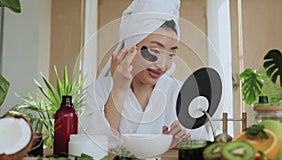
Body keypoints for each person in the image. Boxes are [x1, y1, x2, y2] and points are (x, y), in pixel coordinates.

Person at [79, 0, 208, 148]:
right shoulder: (100, 91)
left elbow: (204, 148)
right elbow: (92, 148)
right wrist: (118, 90)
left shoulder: (181, 93)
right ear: (131, 46)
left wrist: (179, 144)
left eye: (171, 54)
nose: (162, 65)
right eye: (154, 51)